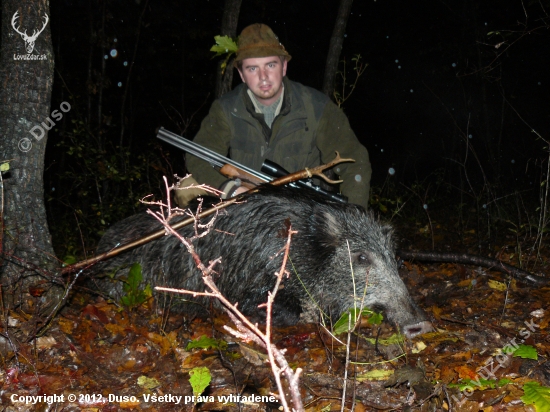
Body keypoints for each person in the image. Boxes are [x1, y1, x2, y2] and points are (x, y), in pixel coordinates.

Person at [178, 23, 372, 209]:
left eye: (270, 65)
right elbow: (198, 156)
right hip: (245, 201)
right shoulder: (226, 109)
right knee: (186, 187)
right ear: (241, 74)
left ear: (284, 66)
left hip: (301, 206)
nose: (263, 76)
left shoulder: (317, 107)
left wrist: (354, 218)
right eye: (252, 68)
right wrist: (232, 190)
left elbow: (354, 162)